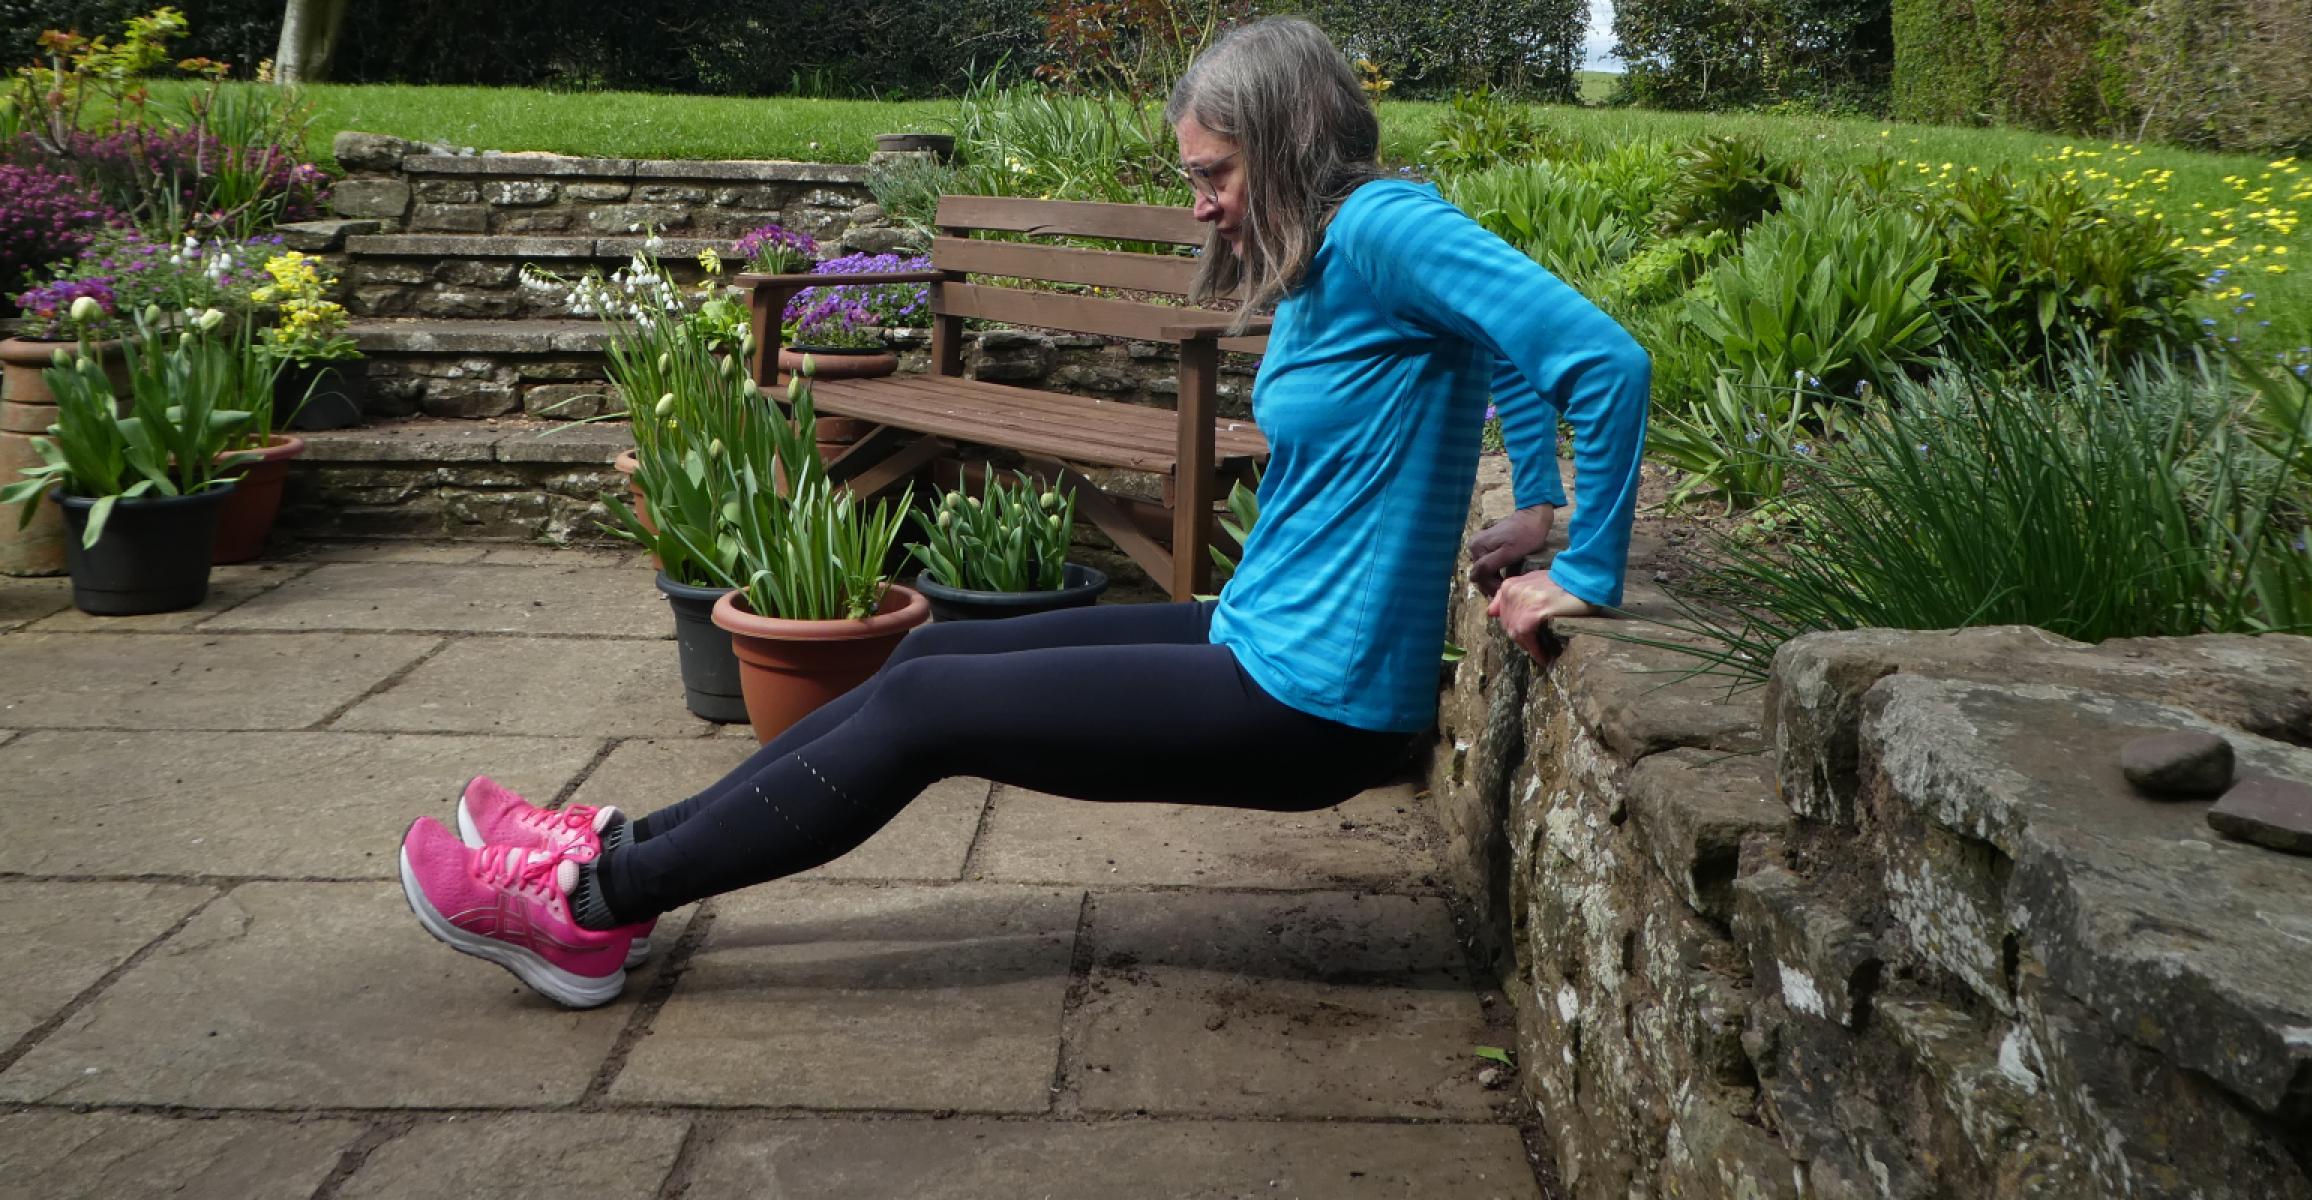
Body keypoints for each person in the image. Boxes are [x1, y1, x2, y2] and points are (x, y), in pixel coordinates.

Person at [395, 16, 1650, 1009]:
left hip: (1310, 704)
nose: (1200, 201)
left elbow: (1598, 356)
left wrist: (1583, 562)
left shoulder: (1382, 228)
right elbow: (1503, 351)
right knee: (929, 650)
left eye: (1214, 173)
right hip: (1252, 636)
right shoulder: (1334, 253)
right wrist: (1532, 497)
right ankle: (615, 848)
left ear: (1288, 136)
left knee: (934, 710)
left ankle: (593, 908)